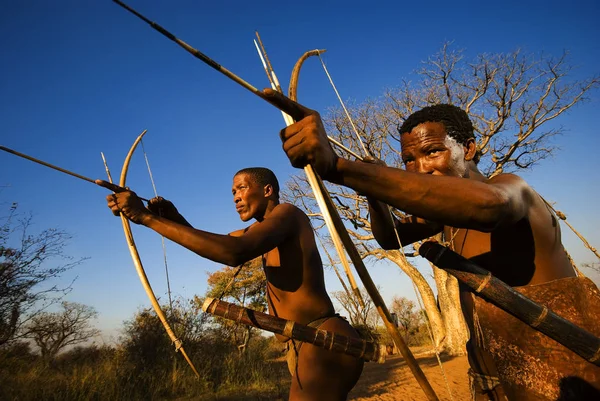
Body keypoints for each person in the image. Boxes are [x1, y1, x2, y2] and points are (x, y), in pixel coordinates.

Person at [265, 89, 600, 400]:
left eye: (433, 151)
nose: (420, 168)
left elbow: (490, 206)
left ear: (468, 149)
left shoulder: (511, 189)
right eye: (409, 159)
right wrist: (373, 190)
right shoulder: (443, 219)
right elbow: (389, 237)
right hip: (492, 379)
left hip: (564, 376)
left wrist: (340, 168)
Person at [107, 166, 363, 400]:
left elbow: (233, 252)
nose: (235, 197)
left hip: (322, 340)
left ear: (267, 190)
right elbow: (216, 244)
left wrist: (146, 218)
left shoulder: (288, 215)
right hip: (303, 344)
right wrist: (171, 218)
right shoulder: (260, 232)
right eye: (232, 192)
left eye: (241, 188)